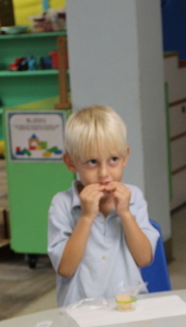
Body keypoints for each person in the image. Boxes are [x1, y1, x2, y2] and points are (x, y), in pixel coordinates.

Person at [48, 105, 160, 307]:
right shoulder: (62, 204)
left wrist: (125, 213)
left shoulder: (133, 197)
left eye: (113, 160)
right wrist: (86, 217)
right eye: (92, 162)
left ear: (125, 157)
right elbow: (65, 268)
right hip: (80, 311)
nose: (104, 173)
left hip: (129, 307)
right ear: (71, 163)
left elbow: (144, 259)